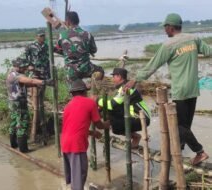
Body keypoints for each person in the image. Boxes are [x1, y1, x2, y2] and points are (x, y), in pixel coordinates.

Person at [125, 13, 211, 165]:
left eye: (165, 27)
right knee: (186, 125)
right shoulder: (194, 39)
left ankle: (200, 152)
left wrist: (134, 80)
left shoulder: (168, 45)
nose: (164, 30)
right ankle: (179, 150)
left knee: (179, 125)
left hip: (181, 91)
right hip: (193, 89)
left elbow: (152, 65)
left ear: (171, 27)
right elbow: (209, 51)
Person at [61, 79, 110, 190]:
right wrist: (106, 124)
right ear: (84, 92)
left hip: (65, 143)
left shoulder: (68, 106)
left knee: (75, 176)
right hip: (76, 145)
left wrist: (92, 133)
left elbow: (74, 127)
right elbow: (99, 124)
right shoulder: (90, 103)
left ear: (72, 93)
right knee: (80, 175)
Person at [96, 68, 151, 148]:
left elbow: (112, 104)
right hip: (134, 116)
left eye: (114, 76)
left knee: (115, 125)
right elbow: (114, 104)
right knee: (112, 117)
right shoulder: (123, 87)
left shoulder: (126, 88)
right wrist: (100, 107)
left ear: (119, 77)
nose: (113, 79)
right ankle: (133, 135)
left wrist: (97, 100)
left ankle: (135, 136)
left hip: (142, 118)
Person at [6, 57, 45, 152]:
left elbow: (24, 84)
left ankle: (14, 144)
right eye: (23, 67)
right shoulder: (16, 75)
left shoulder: (11, 74)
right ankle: (23, 149)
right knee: (22, 124)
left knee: (14, 123)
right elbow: (30, 80)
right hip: (19, 103)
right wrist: (44, 82)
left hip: (13, 102)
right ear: (18, 66)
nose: (25, 69)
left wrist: (36, 85)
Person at [55, 11, 104, 82]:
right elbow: (94, 50)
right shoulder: (87, 34)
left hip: (70, 71)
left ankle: (83, 88)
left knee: (73, 90)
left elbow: (58, 48)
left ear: (67, 22)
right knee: (100, 70)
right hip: (86, 68)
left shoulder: (62, 35)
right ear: (78, 21)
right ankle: (93, 88)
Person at [24, 29, 51, 142]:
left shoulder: (46, 46)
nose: (42, 38)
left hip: (44, 73)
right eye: (40, 36)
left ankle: (43, 128)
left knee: (41, 99)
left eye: (43, 36)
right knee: (35, 100)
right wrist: (29, 66)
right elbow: (24, 58)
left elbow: (50, 58)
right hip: (35, 74)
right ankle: (35, 131)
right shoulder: (30, 46)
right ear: (36, 37)